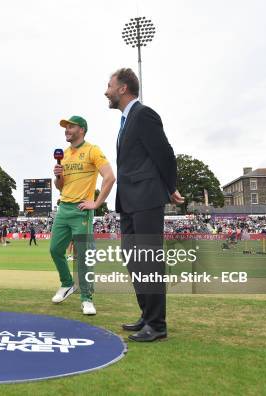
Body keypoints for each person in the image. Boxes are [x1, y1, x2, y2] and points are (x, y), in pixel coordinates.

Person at [106, 68, 184, 342]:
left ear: (123, 88)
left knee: (149, 261)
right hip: (128, 202)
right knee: (132, 258)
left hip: (147, 199)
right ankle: (146, 315)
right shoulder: (126, 121)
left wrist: (170, 186)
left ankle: (157, 325)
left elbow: (165, 152)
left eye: (109, 86)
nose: (106, 91)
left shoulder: (143, 114)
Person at [50, 115, 116, 315]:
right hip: (63, 208)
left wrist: (96, 203)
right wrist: (58, 176)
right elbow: (60, 187)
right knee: (55, 250)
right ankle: (68, 283)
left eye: (71, 126)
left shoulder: (92, 150)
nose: (67, 130)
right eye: (66, 127)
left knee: (83, 256)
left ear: (82, 129)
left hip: (81, 211)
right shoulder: (65, 154)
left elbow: (110, 177)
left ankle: (87, 298)